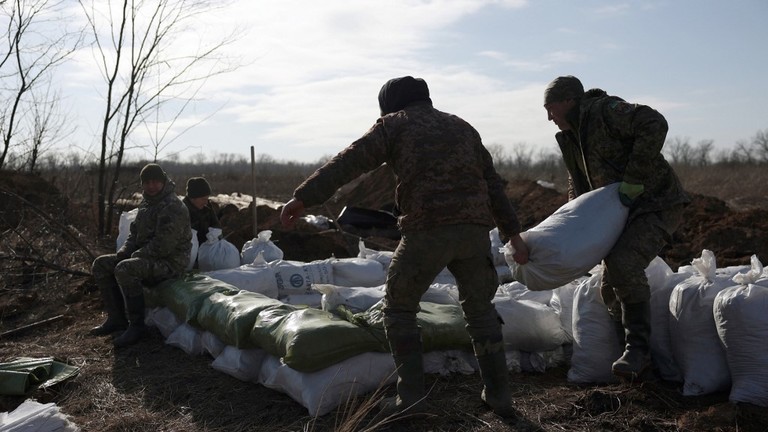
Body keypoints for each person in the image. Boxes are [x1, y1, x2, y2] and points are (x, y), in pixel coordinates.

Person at [280, 76, 529, 417]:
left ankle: (410, 398)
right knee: (481, 311)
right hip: (474, 233)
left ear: (390, 104)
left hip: (427, 231)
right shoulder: (463, 128)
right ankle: (500, 397)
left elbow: (349, 162)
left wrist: (302, 198)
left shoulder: (394, 125)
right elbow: (494, 186)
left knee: (398, 309)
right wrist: (513, 234)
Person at [543, 75, 690, 380]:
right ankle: (634, 360)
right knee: (609, 284)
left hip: (655, 203)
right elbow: (579, 185)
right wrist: (577, 226)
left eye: (551, 108)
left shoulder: (605, 112)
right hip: (620, 213)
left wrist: (634, 178)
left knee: (623, 264)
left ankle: (637, 349)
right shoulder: (572, 138)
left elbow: (654, 123)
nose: (549, 117)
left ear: (569, 101)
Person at [90, 163, 192, 347]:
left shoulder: (173, 206)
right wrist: (124, 252)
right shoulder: (147, 203)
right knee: (101, 264)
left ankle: (137, 326)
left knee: (125, 269)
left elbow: (163, 246)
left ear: (163, 182)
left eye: (155, 182)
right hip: (147, 257)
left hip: (170, 263)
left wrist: (134, 256)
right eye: (147, 182)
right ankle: (116, 319)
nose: (151, 186)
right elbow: (134, 234)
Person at [183, 177, 221, 245]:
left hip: (208, 248)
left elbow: (216, 224)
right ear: (192, 198)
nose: (206, 202)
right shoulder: (181, 211)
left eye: (207, 199)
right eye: (203, 199)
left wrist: (215, 233)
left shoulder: (207, 207)